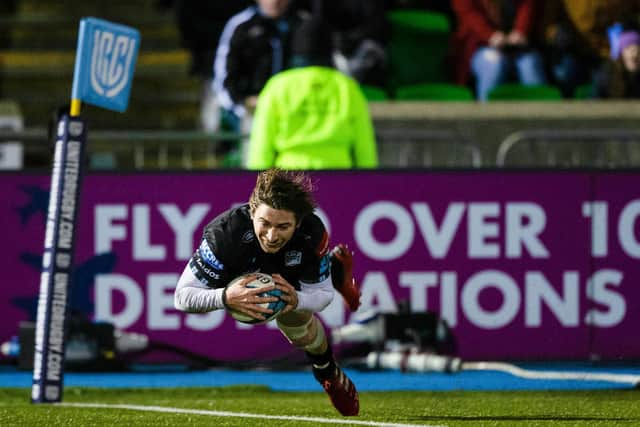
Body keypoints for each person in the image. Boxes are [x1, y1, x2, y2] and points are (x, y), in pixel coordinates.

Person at [174, 168, 360, 416]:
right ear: (252, 212)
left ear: (298, 222)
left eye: (283, 226)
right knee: (297, 324)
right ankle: (333, 270)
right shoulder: (225, 234)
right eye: (265, 223)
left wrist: (298, 300)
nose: (272, 236)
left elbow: (323, 295)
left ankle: (327, 373)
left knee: (298, 329)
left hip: (290, 276)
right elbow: (182, 296)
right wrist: (224, 297)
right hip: (235, 277)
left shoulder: (311, 233)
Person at [246, 17, 378, 170]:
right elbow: (365, 145)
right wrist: (369, 179)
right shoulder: (347, 87)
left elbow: (261, 144)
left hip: (289, 178)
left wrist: (258, 184)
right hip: (340, 176)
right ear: (329, 48)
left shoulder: (277, 86)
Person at [537, 0, 640, 98]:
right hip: (573, 50)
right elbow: (547, 23)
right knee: (563, 73)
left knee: (610, 79)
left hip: (607, 53)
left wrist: (629, 39)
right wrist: (555, 34)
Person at [451, 0, 547, 101]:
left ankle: (543, 114)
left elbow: (528, 6)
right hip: (480, 47)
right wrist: (490, 35)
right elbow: (468, 14)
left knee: (529, 64)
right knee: (494, 64)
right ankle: (487, 113)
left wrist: (520, 31)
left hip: (519, 47)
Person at [594, 30, 640, 99]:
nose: (634, 53)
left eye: (637, 49)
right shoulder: (608, 74)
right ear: (621, 53)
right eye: (628, 48)